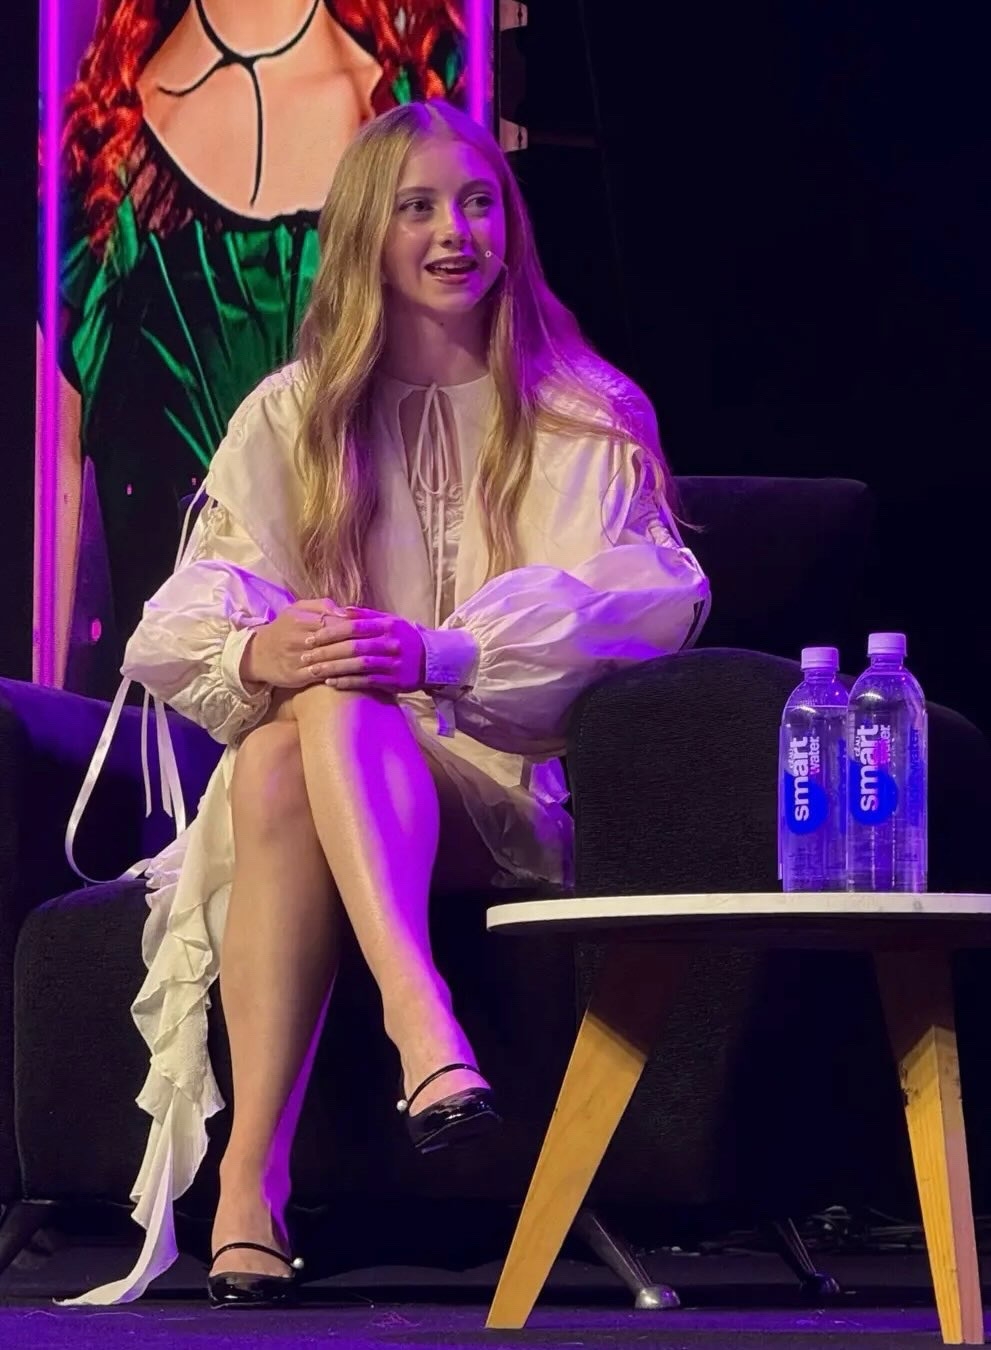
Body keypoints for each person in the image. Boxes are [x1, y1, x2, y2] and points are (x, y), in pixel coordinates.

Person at [64, 97, 710, 1309]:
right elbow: (178, 621)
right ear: (369, 230)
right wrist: (265, 647)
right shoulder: (293, 414)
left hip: (497, 791)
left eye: (477, 204)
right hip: (304, 792)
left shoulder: (581, 412)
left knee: (337, 700)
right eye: (419, 208)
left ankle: (296, 1144)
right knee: (295, 733)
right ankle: (351, 1102)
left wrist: (440, 654)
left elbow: (641, 602)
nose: (456, 233)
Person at [46, 0, 466, 689]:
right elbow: (55, 467)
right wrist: (48, 720)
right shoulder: (99, 148)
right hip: (170, 701)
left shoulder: (416, 100)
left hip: (379, 675)